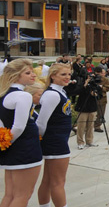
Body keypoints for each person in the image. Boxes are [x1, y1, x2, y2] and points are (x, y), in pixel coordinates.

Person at [0, 59, 41, 207]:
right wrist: (6, 144)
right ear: (16, 75)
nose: (33, 76)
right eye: (28, 73)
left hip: (12, 151)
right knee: (23, 195)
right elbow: (18, 127)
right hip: (26, 150)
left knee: (10, 195)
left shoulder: (3, 94)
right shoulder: (23, 96)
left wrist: (5, 145)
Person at [34, 63, 72, 207]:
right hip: (55, 142)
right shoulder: (52, 94)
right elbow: (41, 123)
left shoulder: (60, 91)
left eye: (69, 74)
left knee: (49, 180)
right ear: (53, 76)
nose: (67, 77)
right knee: (58, 182)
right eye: (63, 74)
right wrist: (40, 140)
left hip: (57, 140)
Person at [73, 67, 105, 150]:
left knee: (91, 126)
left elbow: (100, 96)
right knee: (81, 126)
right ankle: (80, 142)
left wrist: (95, 95)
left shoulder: (96, 86)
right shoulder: (83, 84)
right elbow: (77, 91)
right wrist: (85, 83)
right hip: (83, 108)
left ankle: (89, 141)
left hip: (92, 108)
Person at [93, 67, 109, 132]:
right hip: (92, 97)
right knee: (91, 113)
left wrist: (101, 87)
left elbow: (108, 88)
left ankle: (97, 126)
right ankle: (90, 125)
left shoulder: (105, 79)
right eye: (96, 73)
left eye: (99, 73)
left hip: (101, 98)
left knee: (100, 113)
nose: (98, 75)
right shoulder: (92, 78)